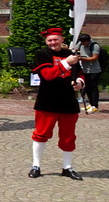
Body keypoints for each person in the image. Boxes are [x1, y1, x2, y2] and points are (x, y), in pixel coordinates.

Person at [28, 28, 85, 180]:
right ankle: (36, 165)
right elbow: (47, 75)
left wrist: (80, 82)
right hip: (48, 101)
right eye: (50, 40)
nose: (53, 43)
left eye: (56, 39)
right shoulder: (42, 55)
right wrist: (66, 63)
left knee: (68, 136)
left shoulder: (70, 55)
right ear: (46, 42)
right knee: (41, 134)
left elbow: (79, 74)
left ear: (61, 39)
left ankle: (67, 167)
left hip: (68, 101)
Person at [73, 32, 102, 113]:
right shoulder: (81, 43)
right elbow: (75, 49)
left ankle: (95, 105)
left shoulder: (95, 46)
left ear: (88, 41)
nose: (82, 44)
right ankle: (91, 103)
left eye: (84, 42)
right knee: (87, 87)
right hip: (85, 69)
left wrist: (82, 58)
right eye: (81, 42)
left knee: (93, 88)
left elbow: (94, 58)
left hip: (94, 70)